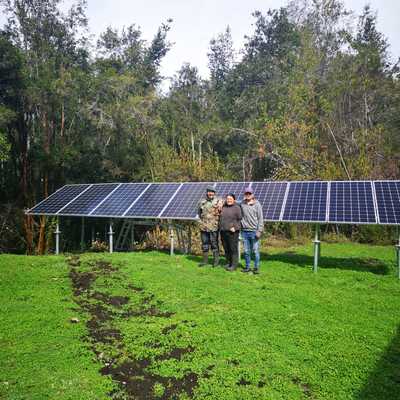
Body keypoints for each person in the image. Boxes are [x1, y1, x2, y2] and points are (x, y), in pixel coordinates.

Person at [240, 186, 264, 274]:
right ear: (244, 194)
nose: (248, 195)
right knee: (246, 251)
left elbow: (261, 219)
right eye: (246, 193)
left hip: (254, 231)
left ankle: (256, 268)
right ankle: (247, 267)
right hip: (245, 232)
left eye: (249, 193)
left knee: (255, 251)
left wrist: (259, 231)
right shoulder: (242, 204)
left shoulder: (257, 204)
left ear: (252, 194)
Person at [197, 187, 222, 267]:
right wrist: (201, 222)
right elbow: (199, 213)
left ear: (214, 193)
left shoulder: (219, 201)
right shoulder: (202, 202)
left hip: (214, 228)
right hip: (204, 227)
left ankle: (216, 262)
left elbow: (229, 202)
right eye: (209, 192)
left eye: (212, 192)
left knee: (214, 245)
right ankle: (205, 261)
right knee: (205, 245)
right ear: (207, 193)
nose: (210, 193)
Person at [219, 193, 242, 271]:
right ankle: (228, 263)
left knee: (233, 248)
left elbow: (240, 220)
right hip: (223, 231)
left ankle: (234, 265)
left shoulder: (237, 208)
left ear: (234, 199)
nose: (229, 200)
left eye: (230, 198)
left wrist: (235, 227)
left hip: (233, 232)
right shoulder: (223, 207)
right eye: (227, 198)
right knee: (226, 248)